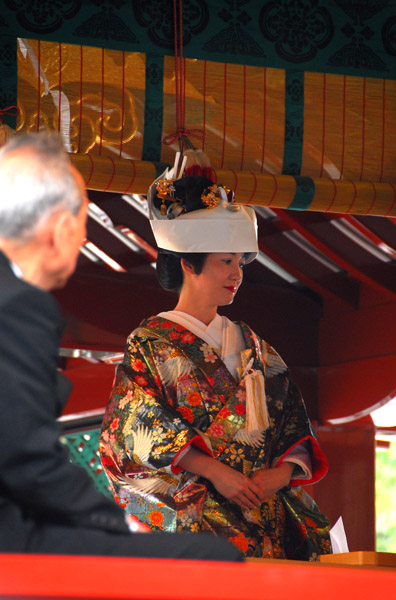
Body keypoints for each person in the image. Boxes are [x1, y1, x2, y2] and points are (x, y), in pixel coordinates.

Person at [0, 133, 242, 561]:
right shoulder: (18, 304)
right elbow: (26, 459)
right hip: (13, 530)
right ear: (60, 228)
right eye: (81, 224)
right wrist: (115, 524)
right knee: (212, 559)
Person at [100, 165, 332, 559]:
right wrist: (213, 471)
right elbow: (129, 429)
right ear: (189, 264)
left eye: (240, 262)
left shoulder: (257, 347)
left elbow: (292, 424)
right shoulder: (150, 343)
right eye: (226, 261)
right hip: (196, 513)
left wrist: (278, 475)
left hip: (262, 509)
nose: (237, 274)